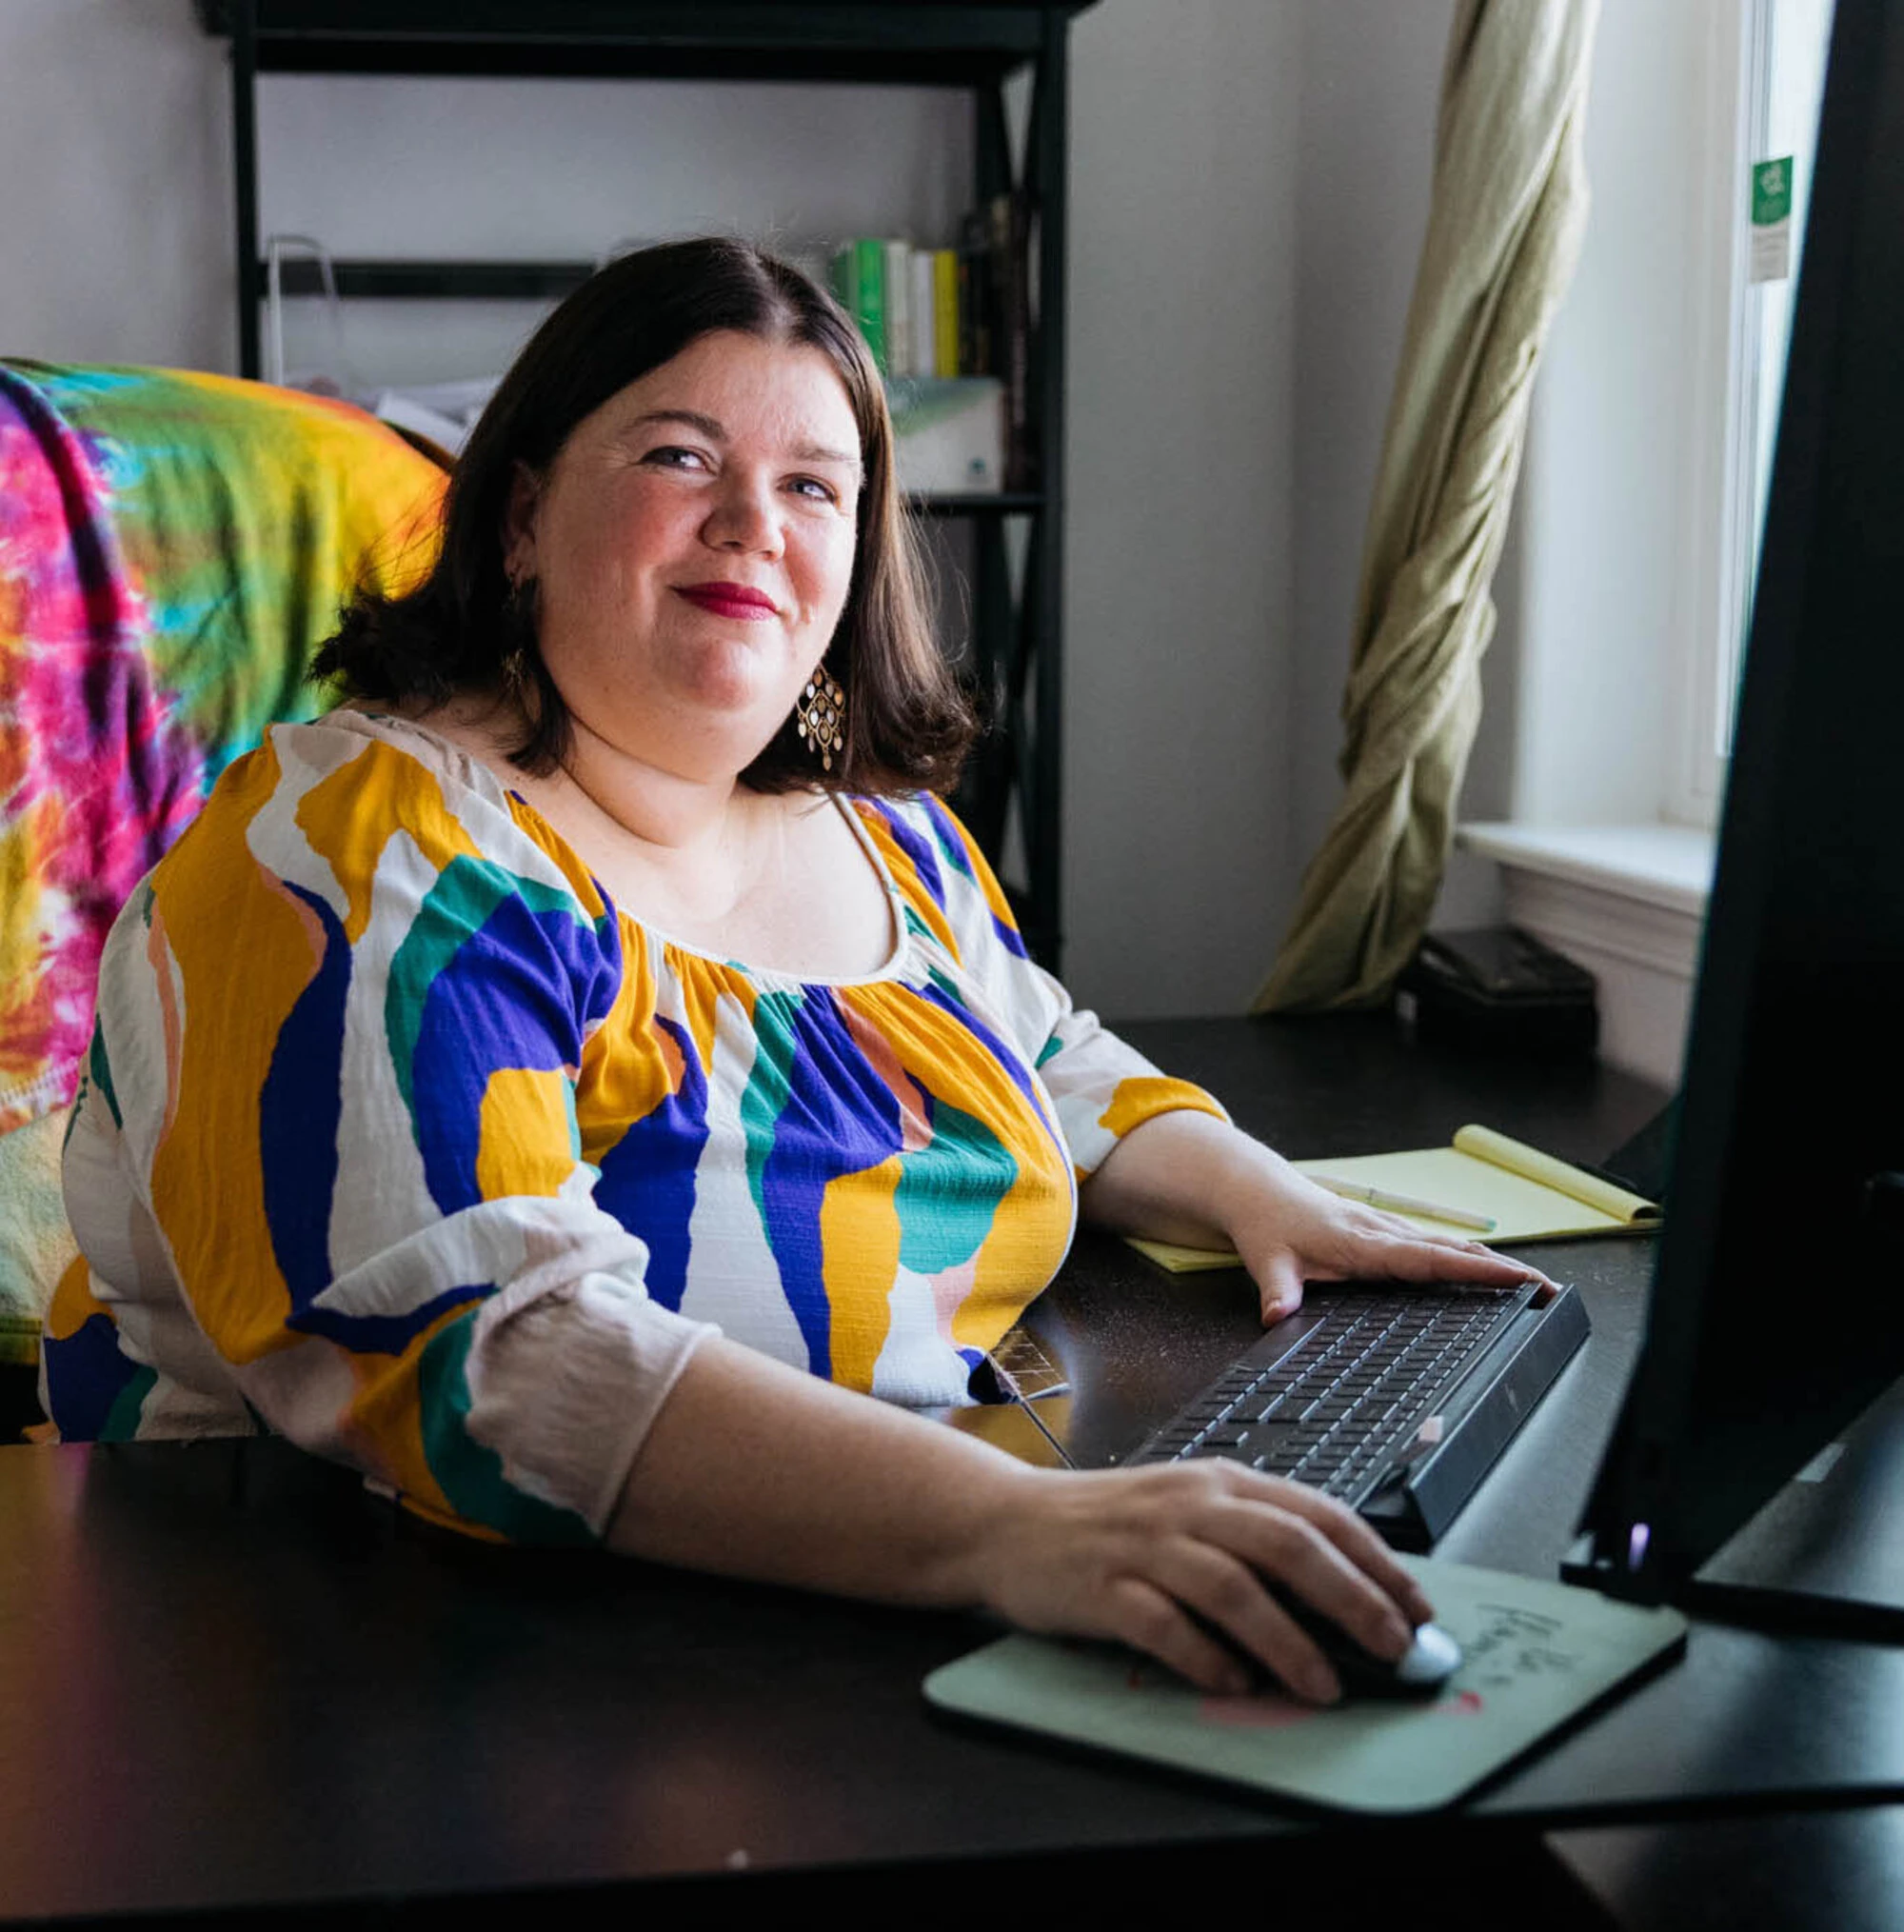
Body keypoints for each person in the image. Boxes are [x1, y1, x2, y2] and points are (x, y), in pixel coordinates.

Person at [42, 238, 1543, 1705]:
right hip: (354, 1639)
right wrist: (1023, 1530)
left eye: (814, 485)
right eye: (681, 459)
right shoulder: (352, 848)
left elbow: (1051, 1054)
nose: (755, 521)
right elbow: (483, 1364)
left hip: (832, 1577)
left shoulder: (888, 839)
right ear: (517, 516)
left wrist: (1247, 1187)